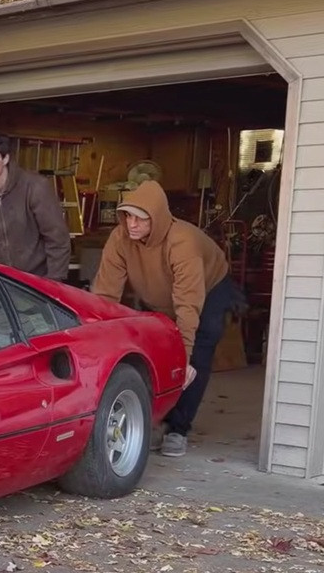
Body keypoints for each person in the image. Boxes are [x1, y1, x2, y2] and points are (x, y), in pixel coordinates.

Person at [92, 179, 246, 457]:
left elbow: (188, 304)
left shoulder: (182, 242)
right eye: (127, 215)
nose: (132, 224)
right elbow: (105, 294)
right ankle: (155, 421)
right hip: (161, 295)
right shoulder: (120, 238)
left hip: (208, 290)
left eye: (140, 218)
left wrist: (184, 357)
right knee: (157, 351)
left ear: (158, 218)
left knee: (195, 355)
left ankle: (178, 429)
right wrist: (95, 342)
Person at [0, 131, 73, 281]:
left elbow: (57, 239)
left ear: (5, 158)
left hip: (37, 282)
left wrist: (54, 285)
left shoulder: (35, 188)